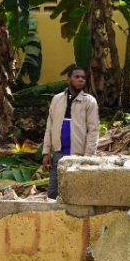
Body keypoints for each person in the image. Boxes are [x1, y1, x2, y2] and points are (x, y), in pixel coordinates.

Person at [41, 66, 99, 199]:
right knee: (53, 193)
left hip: (78, 156)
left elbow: (93, 131)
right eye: (77, 77)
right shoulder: (57, 100)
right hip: (59, 154)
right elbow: (50, 126)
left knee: (78, 194)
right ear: (68, 80)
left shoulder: (89, 101)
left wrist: (87, 157)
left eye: (83, 78)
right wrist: (46, 152)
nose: (81, 80)